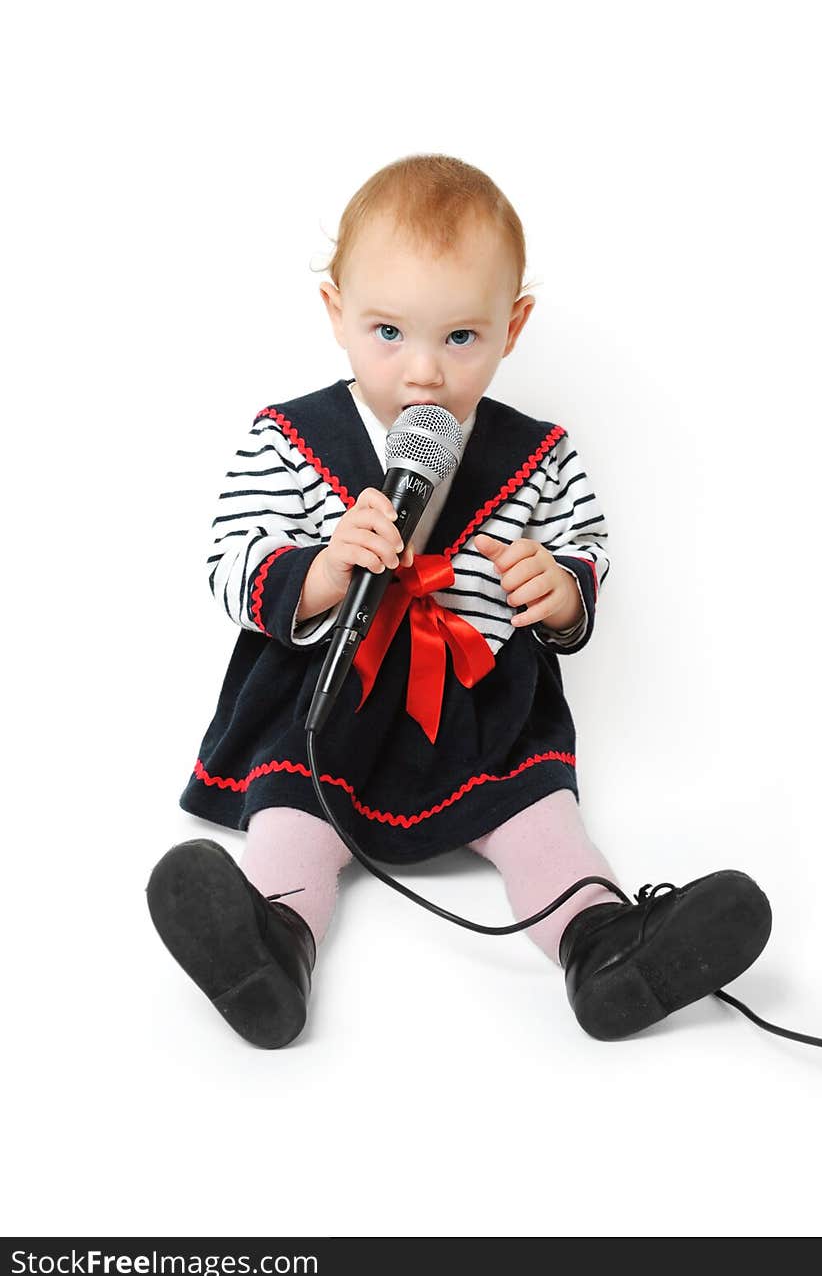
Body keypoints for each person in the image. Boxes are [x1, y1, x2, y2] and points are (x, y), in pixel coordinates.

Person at [147, 153, 771, 1049]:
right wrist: (321, 572)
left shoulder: (539, 452)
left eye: (461, 339)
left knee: (541, 818)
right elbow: (230, 556)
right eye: (389, 332)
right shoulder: (287, 439)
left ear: (512, 327)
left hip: (479, 713)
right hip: (326, 703)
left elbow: (585, 547)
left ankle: (602, 947)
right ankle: (272, 946)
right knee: (292, 812)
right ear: (336, 314)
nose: (426, 373)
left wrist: (558, 590)